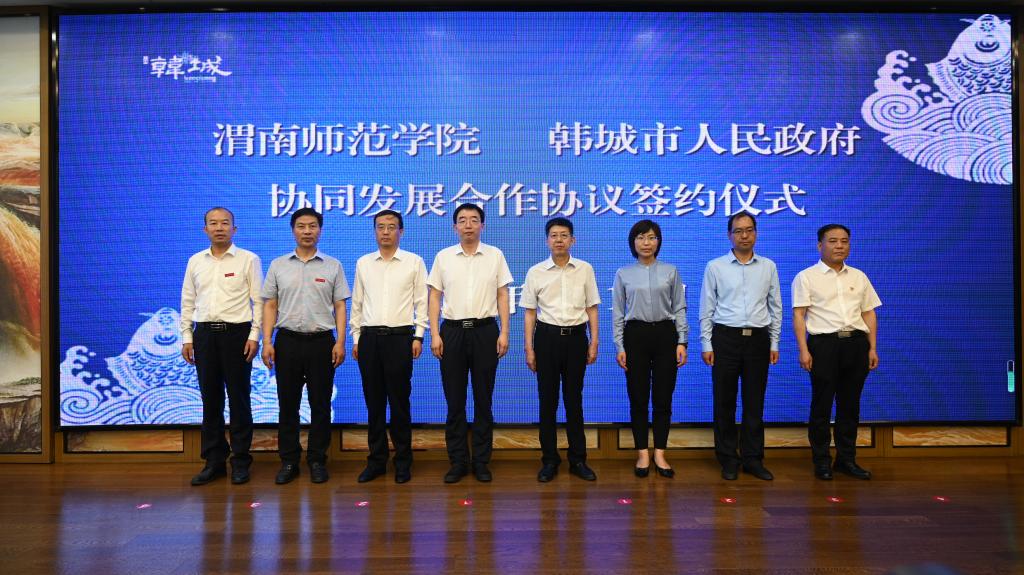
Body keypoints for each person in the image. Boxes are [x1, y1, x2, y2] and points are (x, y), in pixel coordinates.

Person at [261, 207, 350, 485]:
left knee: (320, 404)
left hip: (322, 342)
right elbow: (270, 305)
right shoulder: (278, 265)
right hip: (287, 341)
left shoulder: (333, 265)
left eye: (312, 226)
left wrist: (340, 341)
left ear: (320, 230)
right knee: (288, 404)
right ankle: (289, 461)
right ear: (293, 230)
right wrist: (267, 341)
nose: (307, 231)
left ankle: (317, 460)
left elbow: (340, 306)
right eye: (301, 226)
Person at [428, 204, 513, 483]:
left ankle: (481, 462)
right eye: (462, 220)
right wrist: (434, 334)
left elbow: (503, 295)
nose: (468, 225)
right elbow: (434, 297)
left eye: (474, 220)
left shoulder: (495, 255)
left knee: (483, 400)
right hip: (451, 332)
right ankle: (457, 462)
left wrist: (504, 332)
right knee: (454, 401)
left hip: (485, 331)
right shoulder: (443, 257)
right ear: (455, 227)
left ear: (482, 226)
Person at [792, 224, 881, 481]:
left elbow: (868, 313)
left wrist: (872, 347)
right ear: (820, 245)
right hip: (824, 345)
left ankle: (846, 460)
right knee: (822, 404)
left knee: (850, 405)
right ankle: (822, 461)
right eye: (833, 241)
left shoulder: (859, 277)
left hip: (856, 344)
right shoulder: (807, 277)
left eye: (844, 241)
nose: (839, 246)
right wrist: (803, 350)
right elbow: (799, 315)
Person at [181, 207, 262, 486]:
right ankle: (214, 461)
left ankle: (240, 461)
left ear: (234, 229)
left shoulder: (249, 259)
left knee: (239, 399)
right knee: (210, 399)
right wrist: (187, 337)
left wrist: (254, 336)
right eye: (213, 223)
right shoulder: (195, 261)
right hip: (204, 335)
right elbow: (187, 301)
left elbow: (259, 302)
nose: (219, 228)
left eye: (225, 223)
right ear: (205, 229)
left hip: (237, 335)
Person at [699, 211, 781, 481]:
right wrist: (707, 343)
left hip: (758, 339)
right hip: (725, 338)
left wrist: (774, 342)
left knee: (754, 402)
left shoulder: (768, 266)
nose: (744, 235)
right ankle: (728, 459)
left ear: (756, 233)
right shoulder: (715, 267)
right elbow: (707, 308)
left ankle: (753, 459)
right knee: (724, 402)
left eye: (749, 230)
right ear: (729, 235)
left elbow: (776, 307)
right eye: (738, 231)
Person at [350, 209, 428, 484]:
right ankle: (376, 461)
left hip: (400, 338)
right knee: (374, 404)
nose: (385, 232)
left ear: (401, 231)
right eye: (380, 227)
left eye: (391, 227)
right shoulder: (364, 263)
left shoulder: (414, 262)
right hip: (369, 339)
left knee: (399, 403)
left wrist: (419, 336)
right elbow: (357, 303)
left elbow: (422, 302)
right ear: (375, 231)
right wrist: (356, 339)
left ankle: (403, 462)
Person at [521, 217, 600, 483]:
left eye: (564, 235)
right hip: (547, 339)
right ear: (547, 241)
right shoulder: (536, 272)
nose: (559, 240)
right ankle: (549, 460)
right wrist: (529, 348)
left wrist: (594, 341)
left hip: (576, 339)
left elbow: (592, 307)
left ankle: (578, 459)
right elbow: (530, 313)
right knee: (548, 401)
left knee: (574, 400)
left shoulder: (585, 269)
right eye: (554, 235)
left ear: (572, 240)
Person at [612, 219, 688, 479]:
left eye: (652, 237)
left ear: (658, 242)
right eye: (641, 237)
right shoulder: (623, 273)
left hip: (666, 335)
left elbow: (679, 307)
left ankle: (660, 453)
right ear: (633, 242)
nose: (646, 243)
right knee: (638, 398)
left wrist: (682, 341)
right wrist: (620, 345)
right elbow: (618, 313)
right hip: (636, 336)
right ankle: (643, 453)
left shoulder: (670, 271)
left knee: (663, 398)